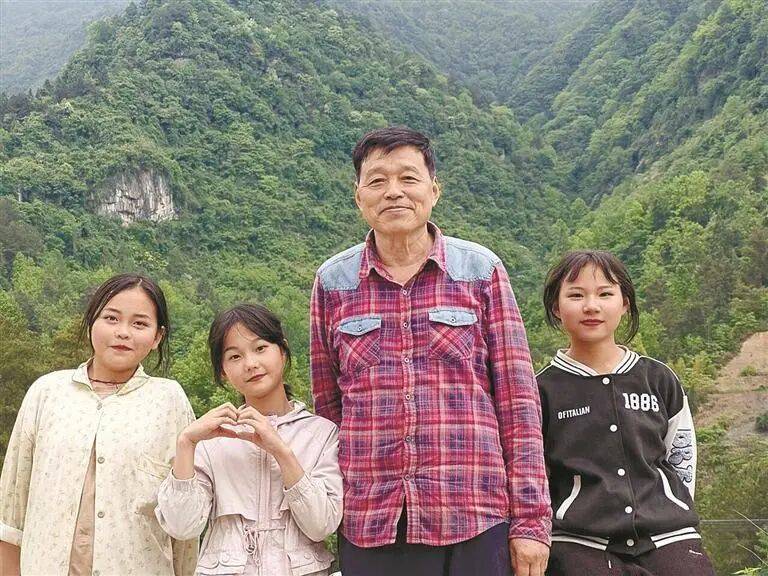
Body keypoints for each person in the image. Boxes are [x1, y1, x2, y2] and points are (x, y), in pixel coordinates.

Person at [310, 126, 551, 576]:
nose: (393, 192)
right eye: (377, 180)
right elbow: (329, 408)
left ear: (433, 190)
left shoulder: (480, 271)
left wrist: (531, 523)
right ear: (358, 196)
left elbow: (518, 403)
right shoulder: (333, 283)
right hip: (372, 520)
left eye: (408, 178)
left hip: (474, 514)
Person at [0, 273, 197, 575]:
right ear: (92, 321)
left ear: (157, 337)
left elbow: (184, 530)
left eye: (139, 323)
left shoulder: (169, 401)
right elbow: (11, 512)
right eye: (111, 318)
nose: (123, 332)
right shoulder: (47, 392)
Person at [537, 250, 716, 575]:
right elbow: (534, 473)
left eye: (605, 294)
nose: (591, 306)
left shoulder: (658, 379)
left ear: (624, 304)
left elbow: (681, 457)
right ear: (556, 308)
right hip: (578, 542)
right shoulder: (542, 390)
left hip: (668, 536)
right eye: (576, 295)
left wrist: (672, 510)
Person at [155, 303, 342, 576]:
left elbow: (322, 525)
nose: (251, 363)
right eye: (234, 356)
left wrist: (281, 451)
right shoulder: (213, 438)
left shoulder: (322, 433)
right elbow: (182, 527)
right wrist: (186, 443)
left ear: (282, 351)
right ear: (223, 371)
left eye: (260, 348)